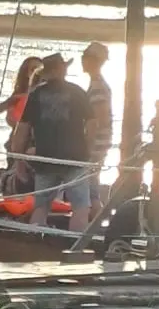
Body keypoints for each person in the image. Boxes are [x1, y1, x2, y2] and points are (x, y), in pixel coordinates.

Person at [9, 52, 95, 232]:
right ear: (62, 70)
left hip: (45, 157)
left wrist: (18, 160)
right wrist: (89, 150)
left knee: (41, 206)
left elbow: (22, 129)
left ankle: (34, 241)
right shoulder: (78, 92)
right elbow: (93, 124)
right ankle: (74, 247)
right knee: (80, 207)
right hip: (74, 157)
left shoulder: (35, 95)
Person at [81, 41, 113, 220]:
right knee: (90, 181)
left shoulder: (99, 87)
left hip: (97, 142)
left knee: (90, 182)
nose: (82, 61)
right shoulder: (96, 85)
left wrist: (87, 144)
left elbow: (99, 120)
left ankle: (95, 218)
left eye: (85, 57)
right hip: (99, 140)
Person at [0, 57, 43, 128]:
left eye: (41, 71)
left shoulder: (48, 95)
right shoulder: (18, 96)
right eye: (33, 69)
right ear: (26, 73)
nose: (37, 74)